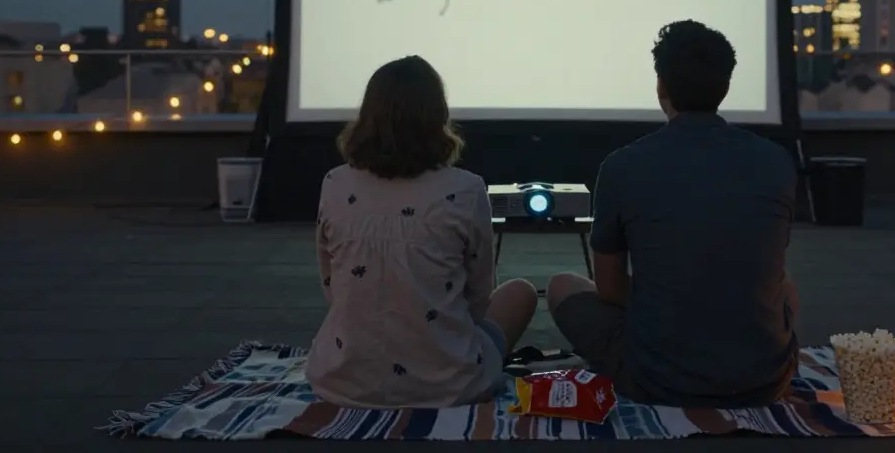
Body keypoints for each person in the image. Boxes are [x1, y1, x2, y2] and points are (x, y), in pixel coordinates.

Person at [547, 20, 800, 409]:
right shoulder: (777, 162)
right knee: (784, 287)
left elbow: (611, 289)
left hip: (659, 379)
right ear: (726, 85)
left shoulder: (622, 167)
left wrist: (669, 301)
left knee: (563, 286)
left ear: (661, 85)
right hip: (764, 380)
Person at [306, 55, 539, 409]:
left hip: (342, 382)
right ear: (437, 117)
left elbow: (333, 286)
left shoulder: (334, 183)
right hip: (449, 385)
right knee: (521, 292)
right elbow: (478, 297)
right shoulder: (466, 189)